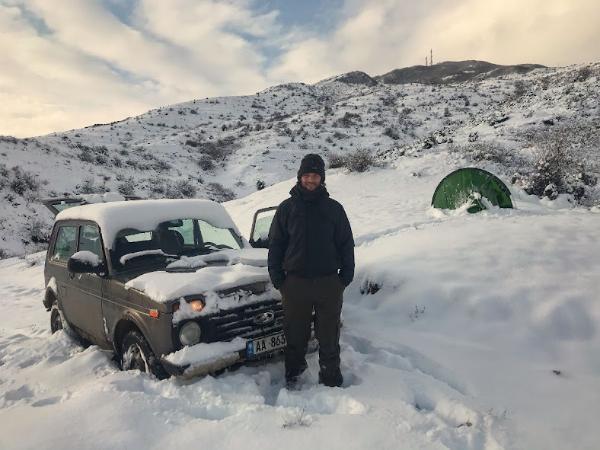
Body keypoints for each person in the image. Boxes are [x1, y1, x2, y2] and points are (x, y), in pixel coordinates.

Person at [268, 153, 355, 387]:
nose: (310, 180)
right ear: (299, 177)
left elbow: (346, 243)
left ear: (322, 178)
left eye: (315, 175)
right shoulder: (286, 209)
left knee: (329, 336)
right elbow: (275, 244)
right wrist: (279, 279)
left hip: (328, 283)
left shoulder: (334, 209)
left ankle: (330, 377)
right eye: (306, 175)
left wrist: (344, 277)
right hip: (295, 284)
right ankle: (294, 376)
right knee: (295, 335)